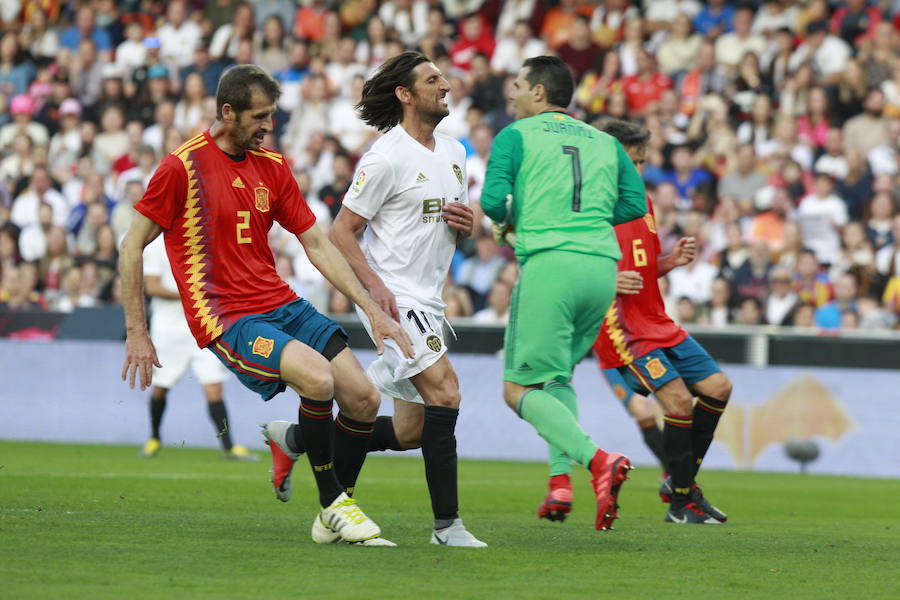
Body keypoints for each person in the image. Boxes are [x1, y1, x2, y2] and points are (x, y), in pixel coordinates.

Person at [119, 64, 413, 547]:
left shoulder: (272, 166)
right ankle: (334, 506)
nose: (267, 126)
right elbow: (131, 246)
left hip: (281, 302)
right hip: (227, 316)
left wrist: (372, 309)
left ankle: (314, 473)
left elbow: (316, 244)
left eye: (272, 116)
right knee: (317, 378)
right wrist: (137, 330)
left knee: (364, 400)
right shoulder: (181, 167)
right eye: (259, 116)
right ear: (228, 112)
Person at [481, 56, 647, 531]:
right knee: (557, 379)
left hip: (551, 265)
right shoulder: (606, 141)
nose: (510, 94)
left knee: (517, 390)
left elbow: (492, 201)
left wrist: (518, 221)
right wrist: (586, 221)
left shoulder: (515, 136)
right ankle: (559, 482)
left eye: (516, 85)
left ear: (537, 92)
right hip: (600, 268)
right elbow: (634, 203)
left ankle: (599, 463)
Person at [329, 51, 486, 547]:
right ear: (405, 94)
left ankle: (301, 442)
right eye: (432, 79)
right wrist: (374, 293)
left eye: (443, 77)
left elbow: (443, 224)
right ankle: (448, 527)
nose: (445, 84)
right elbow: (341, 231)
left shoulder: (456, 152)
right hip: (394, 296)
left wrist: (469, 226)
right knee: (447, 392)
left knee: (412, 431)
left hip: (429, 299)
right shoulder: (385, 156)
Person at [591, 119, 733, 525]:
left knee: (718, 387)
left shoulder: (642, 201)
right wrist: (607, 279)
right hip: (621, 326)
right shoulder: (588, 206)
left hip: (655, 319)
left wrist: (671, 261)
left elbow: (644, 267)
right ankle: (682, 502)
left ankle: (679, 482)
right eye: (630, 162)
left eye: (641, 162)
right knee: (676, 401)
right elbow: (568, 267)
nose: (636, 171)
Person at [138, 236, 257, 461]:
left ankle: (229, 447)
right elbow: (152, 286)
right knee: (161, 386)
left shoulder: (203, 240)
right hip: (168, 328)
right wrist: (191, 296)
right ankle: (154, 438)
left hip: (203, 325)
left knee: (214, 387)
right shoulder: (155, 245)